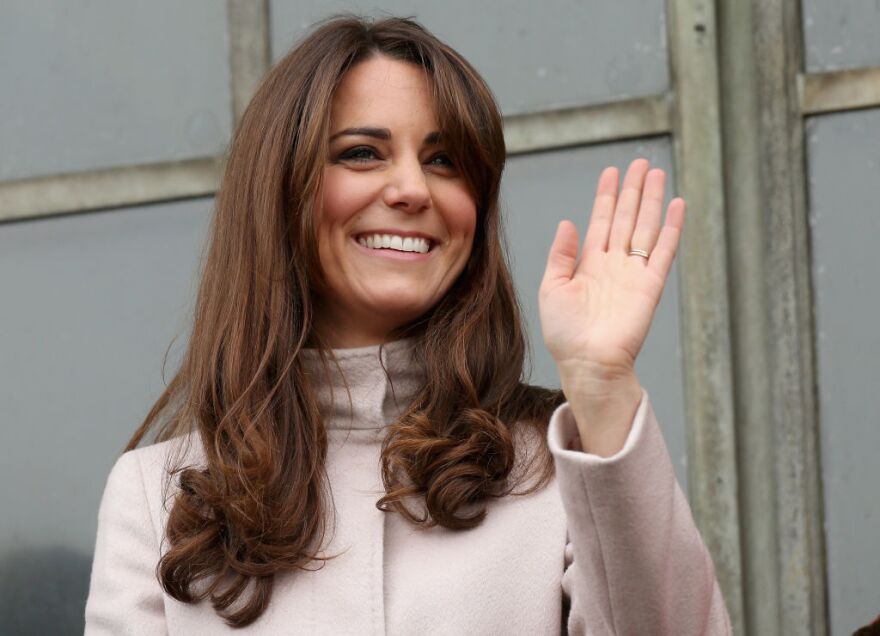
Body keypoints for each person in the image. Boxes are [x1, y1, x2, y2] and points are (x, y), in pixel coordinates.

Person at [84, 15, 731, 634]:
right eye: (363, 153)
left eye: (444, 160)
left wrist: (603, 387)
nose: (413, 189)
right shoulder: (154, 497)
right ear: (278, 190)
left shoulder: (561, 465)